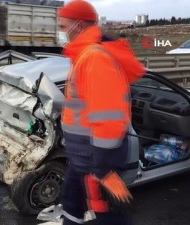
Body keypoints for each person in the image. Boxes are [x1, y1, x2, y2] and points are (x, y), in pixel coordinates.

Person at [57, 1, 145, 225]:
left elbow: (109, 119)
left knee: (105, 213)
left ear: (78, 25)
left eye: (62, 26)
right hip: (83, 158)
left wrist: (101, 168)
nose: (60, 32)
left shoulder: (94, 58)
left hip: (93, 161)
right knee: (71, 205)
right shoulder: (84, 55)